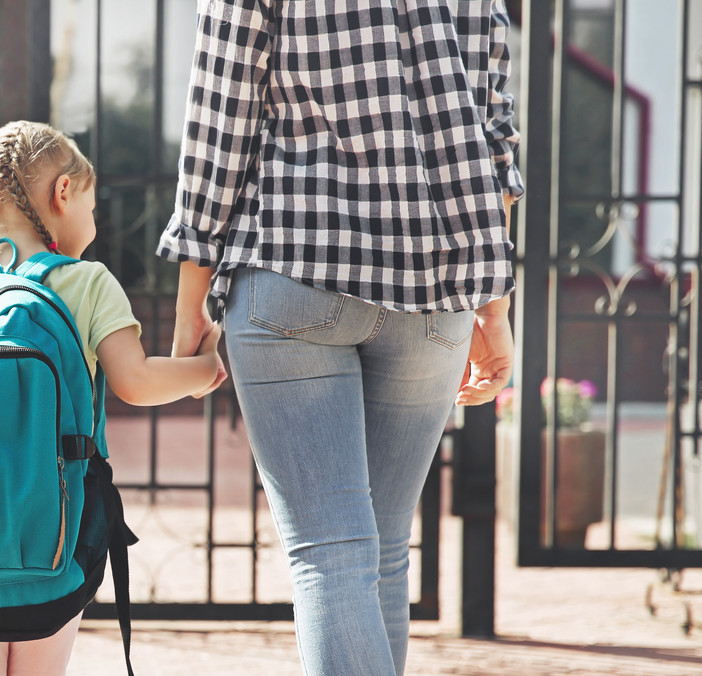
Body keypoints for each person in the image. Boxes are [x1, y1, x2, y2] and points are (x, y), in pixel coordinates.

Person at [158, 1, 523, 674]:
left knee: (332, 552)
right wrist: (493, 307)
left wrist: (191, 306)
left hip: (295, 271)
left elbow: (220, 117)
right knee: (382, 550)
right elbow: (493, 133)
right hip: (436, 288)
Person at [0, 120, 225, 676]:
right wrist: (205, 369)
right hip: (50, 543)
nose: (95, 221)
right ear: (63, 193)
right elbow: (137, 382)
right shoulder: (86, 282)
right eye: (92, 204)